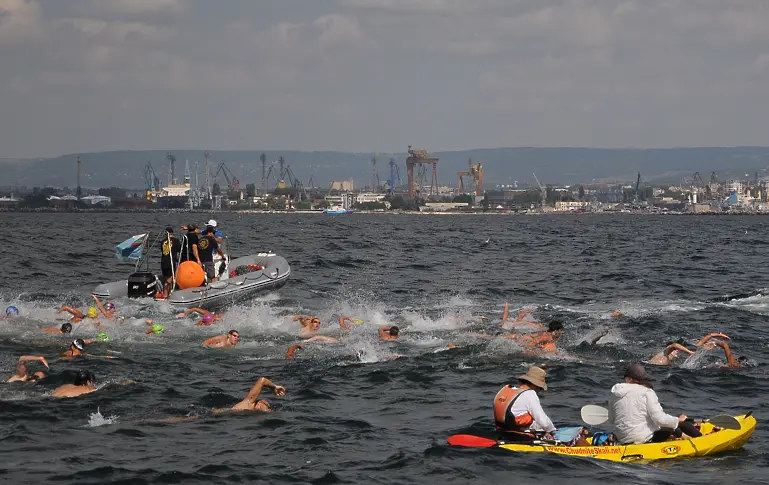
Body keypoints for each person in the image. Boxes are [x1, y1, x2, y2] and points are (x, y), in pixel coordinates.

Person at [608, 363, 701, 444]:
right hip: (642, 439)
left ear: (628, 379)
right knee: (679, 425)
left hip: (621, 438)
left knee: (669, 425)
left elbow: (612, 419)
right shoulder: (646, 392)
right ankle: (702, 439)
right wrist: (678, 420)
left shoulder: (614, 393)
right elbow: (659, 419)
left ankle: (685, 435)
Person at [493, 366, 556, 440]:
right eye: (540, 388)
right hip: (517, 432)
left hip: (501, 428)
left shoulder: (507, 390)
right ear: (535, 385)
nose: (540, 390)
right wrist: (552, 431)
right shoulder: (530, 393)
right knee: (544, 426)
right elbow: (543, 420)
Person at [212, 377, 285, 414]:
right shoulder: (248, 403)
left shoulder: (252, 411)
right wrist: (273, 387)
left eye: (264, 403)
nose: (261, 402)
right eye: (261, 402)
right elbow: (262, 380)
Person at [160, 226, 182, 297]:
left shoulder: (163, 241)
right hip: (170, 262)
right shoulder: (175, 241)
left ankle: (168, 294)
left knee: (166, 277)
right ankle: (166, 294)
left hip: (163, 262)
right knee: (171, 278)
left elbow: (162, 250)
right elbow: (180, 250)